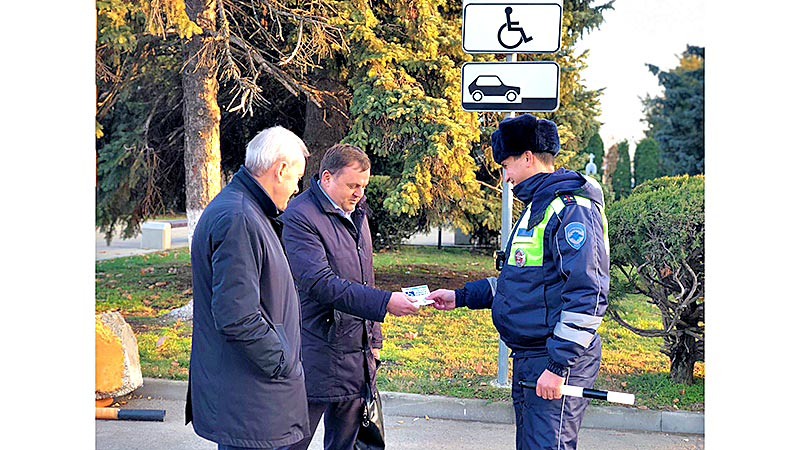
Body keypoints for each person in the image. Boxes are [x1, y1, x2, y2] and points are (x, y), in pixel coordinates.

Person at [427, 114, 610, 450]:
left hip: (555, 358)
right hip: (532, 356)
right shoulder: (537, 207)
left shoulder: (570, 208)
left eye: (507, 165)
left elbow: (589, 293)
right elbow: (522, 283)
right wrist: (462, 296)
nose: (505, 176)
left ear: (528, 158)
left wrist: (557, 366)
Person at [281, 143, 420, 450]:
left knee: (349, 445)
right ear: (327, 177)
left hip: (356, 353)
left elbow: (364, 279)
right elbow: (319, 283)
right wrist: (385, 303)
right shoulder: (300, 216)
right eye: (353, 185)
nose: (359, 193)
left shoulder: (357, 212)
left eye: (364, 186)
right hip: (315, 349)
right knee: (290, 442)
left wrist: (375, 342)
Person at [185, 126, 311, 450]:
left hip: (253, 396)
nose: (296, 189)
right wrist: (283, 360)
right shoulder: (239, 217)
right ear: (280, 170)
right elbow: (236, 316)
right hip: (251, 398)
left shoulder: (246, 211)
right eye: (296, 179)